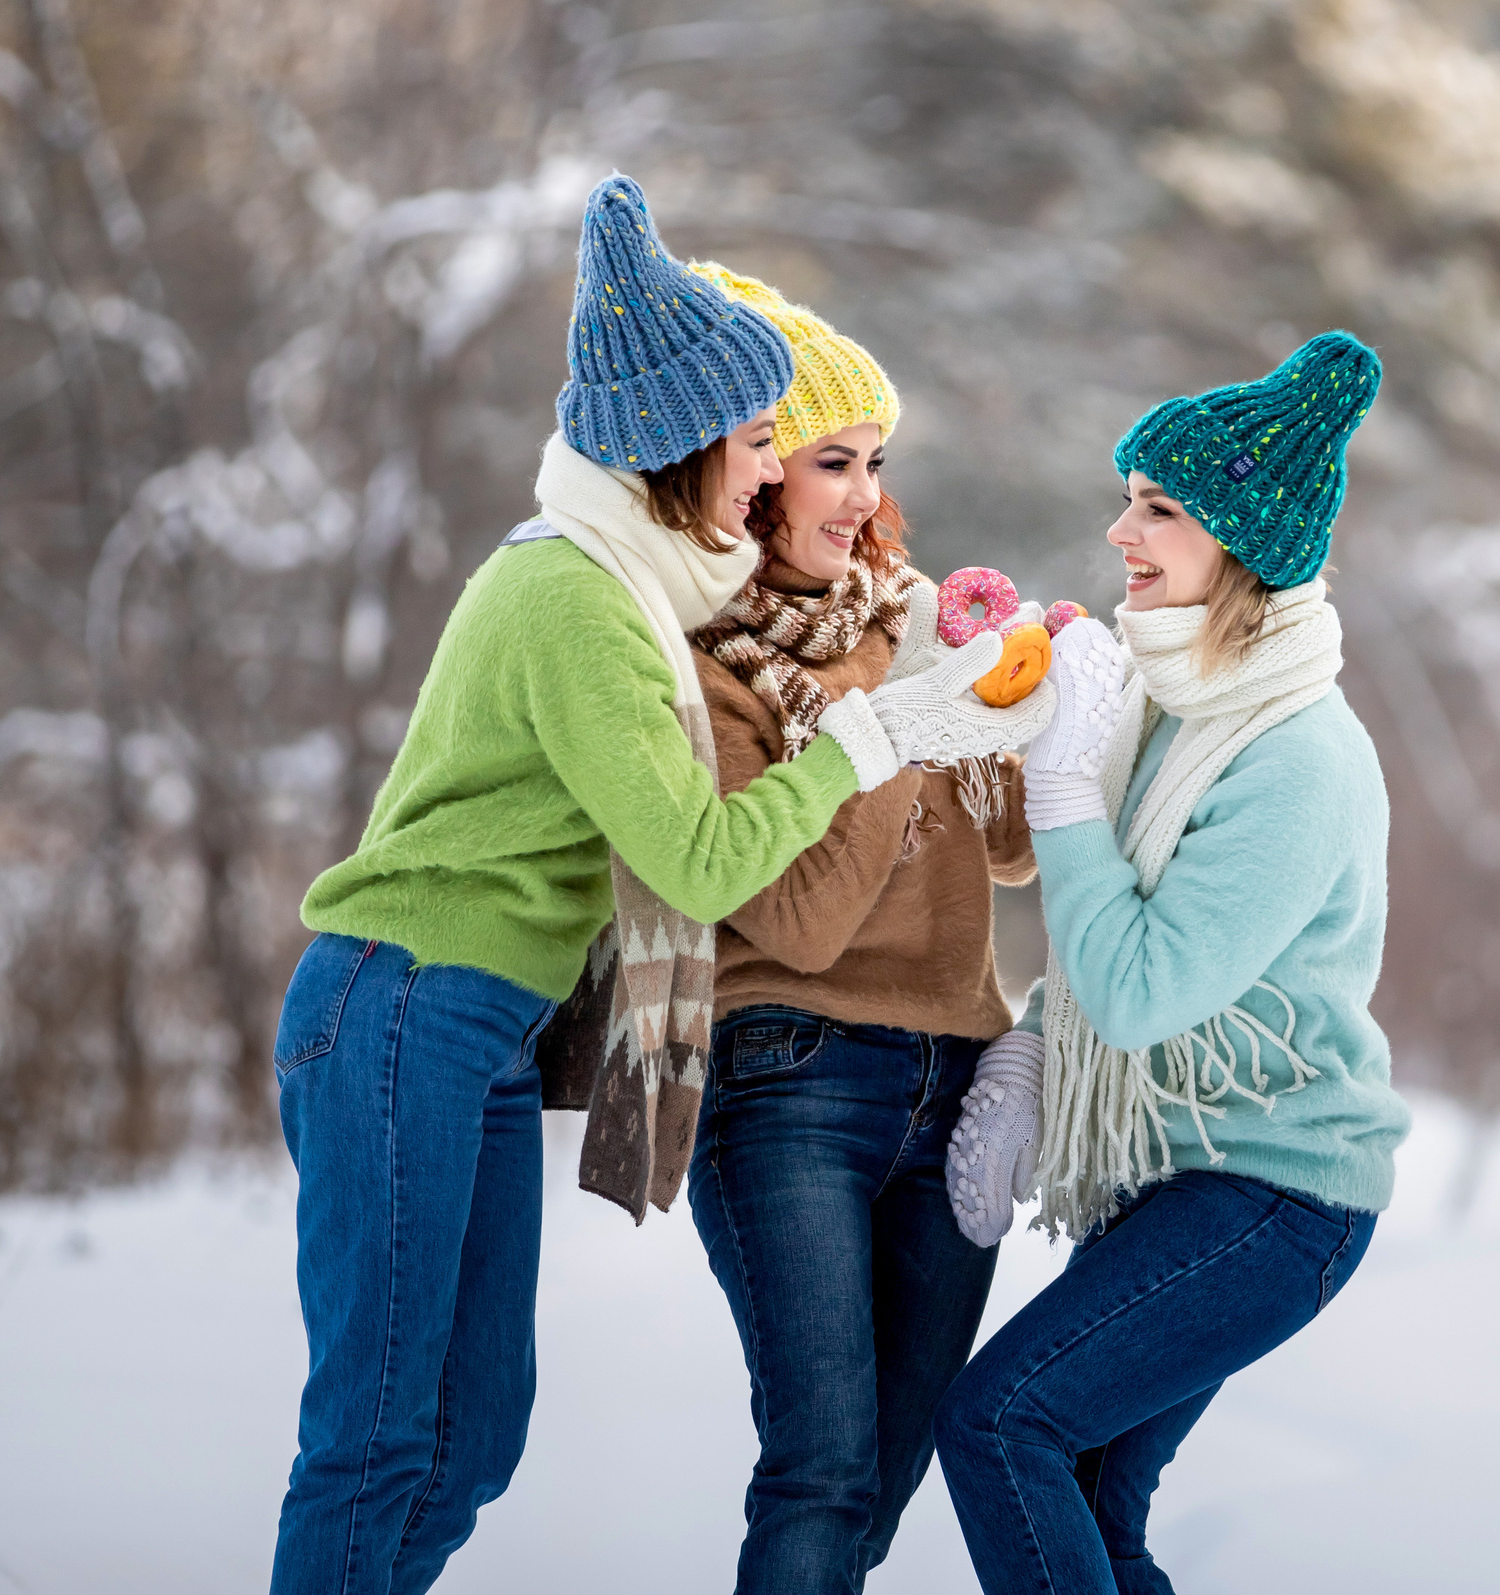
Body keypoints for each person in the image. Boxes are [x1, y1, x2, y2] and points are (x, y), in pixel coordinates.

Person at [267, 175, 1037, 1595]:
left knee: (471, 1438)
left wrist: (953, 678)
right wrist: (875, 728)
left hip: (477, 1028)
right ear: (685, 448)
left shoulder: (644, 590)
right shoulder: (579, 599)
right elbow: (700, 857)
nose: (775, 473)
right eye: (761, 442)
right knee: (379, 1434)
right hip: (402, 998)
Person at [934, 332, 1414, 1595]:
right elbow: (1099, 935)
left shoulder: (1295, 756)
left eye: (1157, 508)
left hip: (1276, 1192)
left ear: (1240, 546)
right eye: (1128, 499)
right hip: (1185, 1167)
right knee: (1091, 1492)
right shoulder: (1173, 707)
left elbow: (1141, 989)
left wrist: (1062, 799)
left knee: (1002, 1425)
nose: (1118, 531)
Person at [678, 265, 1040, 1595]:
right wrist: (897, 714)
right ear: (753, 467)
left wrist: (1009, 710)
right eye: (831, 459)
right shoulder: (710, 665)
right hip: (792, 1075)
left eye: (877, 461)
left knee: (880, 1480)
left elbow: (1004, 858)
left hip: (961, 1084)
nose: (866, 495)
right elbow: (803, 919)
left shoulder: (908, 608)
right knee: (821, 1467)